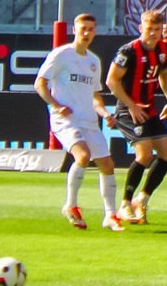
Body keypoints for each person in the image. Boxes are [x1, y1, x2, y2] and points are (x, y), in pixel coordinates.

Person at [33, 16, 127, 232]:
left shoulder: (93, 61)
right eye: (83, 29)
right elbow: (40, 83)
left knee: (107, 165)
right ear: (74, 29)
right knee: (83, 156)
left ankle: (110, 215)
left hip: (88, 120)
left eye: (91, 29)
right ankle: (70, 205)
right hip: (66, 119)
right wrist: (56, 105)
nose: (87, 33)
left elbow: (95, 96)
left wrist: (105, 114)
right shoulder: (62, 55)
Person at [109, 9, 167, 225]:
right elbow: (112, 81)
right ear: (141, 28)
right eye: (149, 29)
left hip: (148, 108)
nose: (153, 33)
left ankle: (142, 199)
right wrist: (131, 106)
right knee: (144, 155)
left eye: (157, 30)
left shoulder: (161, 49)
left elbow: (163, 74)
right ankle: (124, 204)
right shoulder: (128, 51)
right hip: (128, 109)